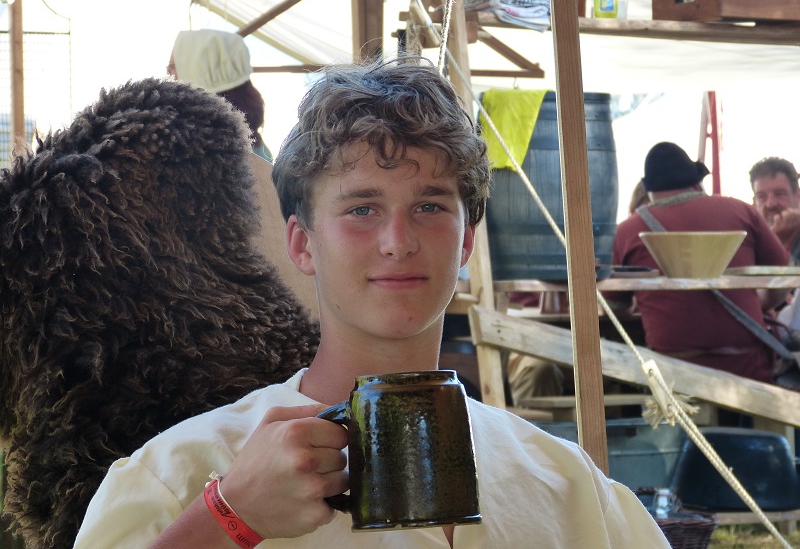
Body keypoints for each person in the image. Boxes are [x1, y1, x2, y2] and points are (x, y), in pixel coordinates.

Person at [74, 59, 669, 548]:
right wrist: (229, 518)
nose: (397, 241)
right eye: (361, 209)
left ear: (465, 241)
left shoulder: (569, 487)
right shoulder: (181, 473)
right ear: (303, 243)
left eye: (430, 206)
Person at [605, 142, 789, 384]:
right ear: (696, 183)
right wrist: (757, 302)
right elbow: (781, 278)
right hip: (749, 369)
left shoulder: (626, 232)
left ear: (649, 191)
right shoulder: (742, 211)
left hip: (674, 378)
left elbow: (615, 306)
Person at [168, 28, 273, 162]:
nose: (169, 78)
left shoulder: (186, 151)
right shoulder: (260, 152)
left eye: (172, 68)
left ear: (196, 73)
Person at [749, 157, 800, 264]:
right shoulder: (747, 243)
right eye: (762, 196)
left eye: (779, 194)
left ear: (798, 196)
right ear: (754, 203)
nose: (770, 204)